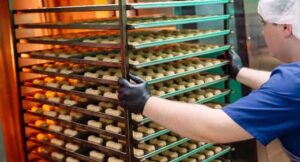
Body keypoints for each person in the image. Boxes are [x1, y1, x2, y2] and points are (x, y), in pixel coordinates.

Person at [118, 0, 300, 161]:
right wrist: (240, 72)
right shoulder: (292, 80)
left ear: (286, 28)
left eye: (264, 23)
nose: (262, 31)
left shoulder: (292, 84)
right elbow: (281, 87)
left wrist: (145, 102)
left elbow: (215, 126)